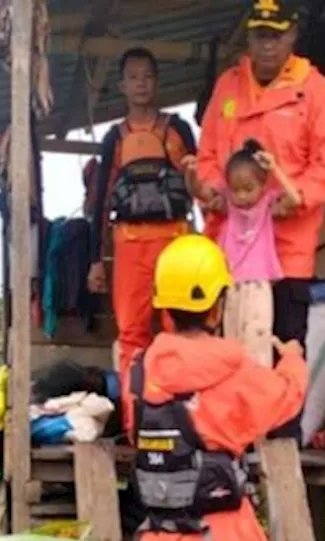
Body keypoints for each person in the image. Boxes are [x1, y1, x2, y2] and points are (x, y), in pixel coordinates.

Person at [124, 234, 307, 541]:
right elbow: (286, 397)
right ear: (217, 306)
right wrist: (293, 358)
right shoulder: (236, 378)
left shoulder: (138, 376)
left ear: (164, 308)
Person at [195, 0, 325, 439]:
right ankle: (231, 436)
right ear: (249, 37)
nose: (267, 45)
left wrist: (297, 201)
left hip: (288, 250)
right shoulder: (228, 85)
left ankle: (281, 442)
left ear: (292, 35)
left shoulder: (314, 89)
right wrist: (209, 191)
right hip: (232, 252)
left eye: (276, 35)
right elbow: (207, 158)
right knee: (227, 347)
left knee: (284, 345)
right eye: (260, 35)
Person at [88, 47, 198, 379]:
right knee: (132, 333)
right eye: (133, 77)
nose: (141, 84)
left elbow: (202, 184)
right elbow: (100, 202)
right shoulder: (114, 139)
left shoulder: (178, 129)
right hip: (130, 245)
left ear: (157, 82)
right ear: (122, 85)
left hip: (175, 242)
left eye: (148, 76)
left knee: (178, 327)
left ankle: (177, 415)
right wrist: (96, 260)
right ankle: (134, 422)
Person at [183, 140, 301, 366]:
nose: (243, 196)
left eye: (249, 189)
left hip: (257, 286)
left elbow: (295, 199)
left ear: (263, 184)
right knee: (231, 346)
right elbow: (199, 191)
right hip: (230, 285)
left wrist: (274, 168)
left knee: (257, 347)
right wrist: (191, 173)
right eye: (236, 190)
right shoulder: (229, 206)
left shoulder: (267, 206)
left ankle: (256, 394)